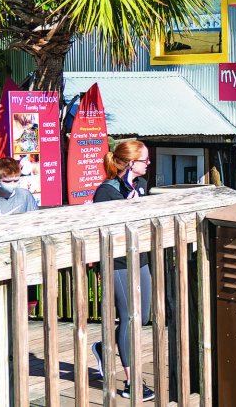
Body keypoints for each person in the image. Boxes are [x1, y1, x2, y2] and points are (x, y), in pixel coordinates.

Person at [92, 140, 155, 401]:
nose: (148, 164)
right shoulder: (106, 191)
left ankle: (104, 347)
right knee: (130, 316)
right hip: (117, 261)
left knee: (143, 315)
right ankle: (132, 382)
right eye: (145, 160)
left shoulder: (139, 186)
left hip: (139, 257)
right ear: (130, 163)